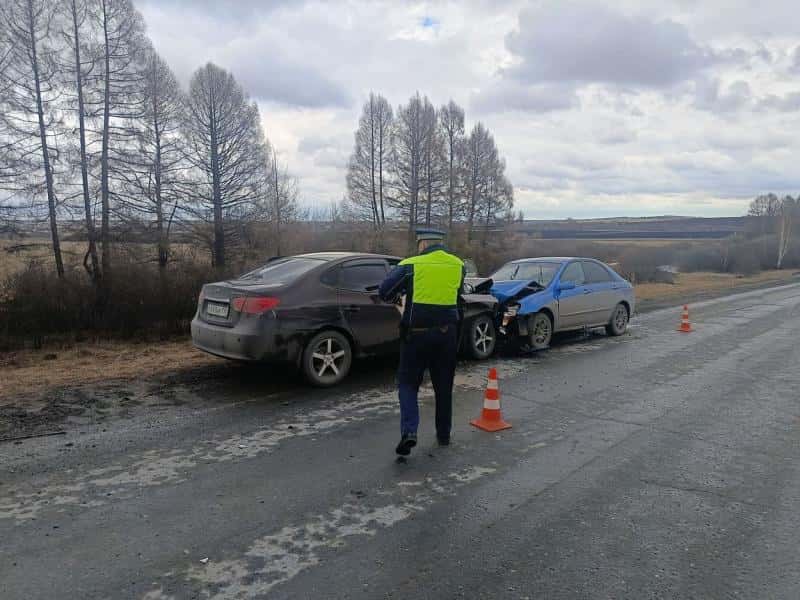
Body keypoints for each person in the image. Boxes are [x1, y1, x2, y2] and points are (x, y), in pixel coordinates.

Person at [379, 229, 465, 456]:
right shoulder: (458, 265)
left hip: (416, 336)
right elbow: (457, 299)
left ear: (423, 244)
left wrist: (401, 295)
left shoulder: (411, 264)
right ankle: (444, 434)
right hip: (447, 335)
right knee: (443, 385)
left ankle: (409, 432)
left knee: (408, 384)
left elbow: (384, 291)